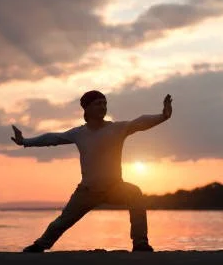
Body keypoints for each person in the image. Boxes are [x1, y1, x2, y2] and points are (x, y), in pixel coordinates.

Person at [11, 91, 172, 252]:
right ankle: (39, 246)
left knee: (135, 193)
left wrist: (163, 116)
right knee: (61, 223)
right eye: (98, 103)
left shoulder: (117, 128)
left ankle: (140, 244)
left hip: (114, 188)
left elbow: (139, 122)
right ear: (86, 108)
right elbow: (52, 138)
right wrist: (25, 141)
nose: (103, 107)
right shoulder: (79, 133)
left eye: (104, 103)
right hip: (87, 191)